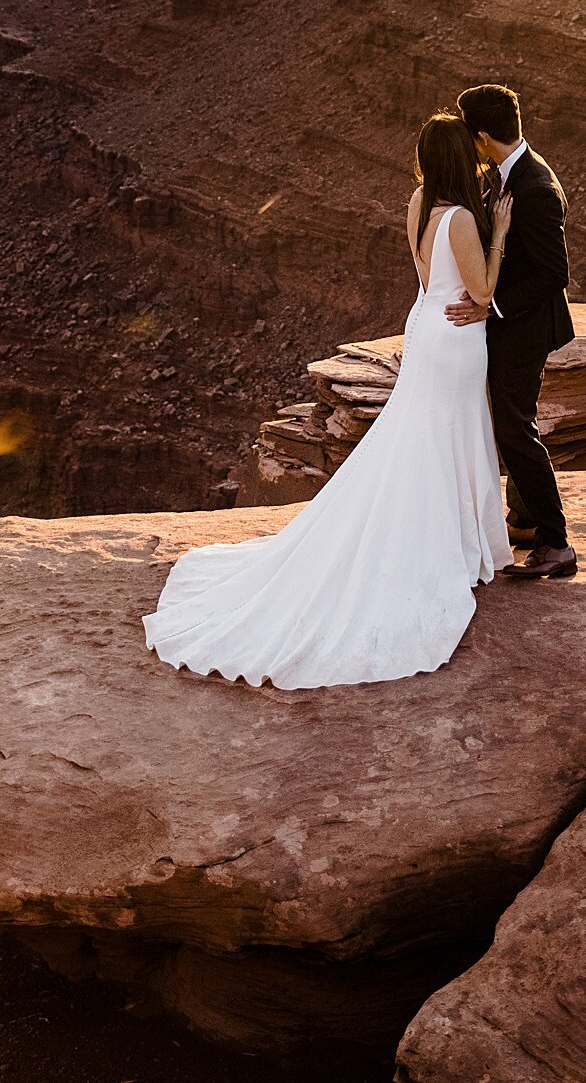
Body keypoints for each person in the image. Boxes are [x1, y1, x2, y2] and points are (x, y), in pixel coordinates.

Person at [142, 112, 514, 688]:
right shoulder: (462, 217)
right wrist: (503, 237)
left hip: (425, 325)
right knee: (454, 434)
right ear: (459, 158)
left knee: (422, 435)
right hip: (455, 337)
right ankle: (459, 546)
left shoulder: (418, 204)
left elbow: (428, 276)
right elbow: (482, 292)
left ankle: (454, 540)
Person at [448, 83, 577, 580]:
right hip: (513, 322)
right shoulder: (508, 172)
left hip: (525, 326)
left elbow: (554, 274)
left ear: (482, 136)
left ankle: (556, 541)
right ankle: (523, 519)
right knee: (515, 420)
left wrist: (492, 307)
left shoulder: (534, 188)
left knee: (513, 426)